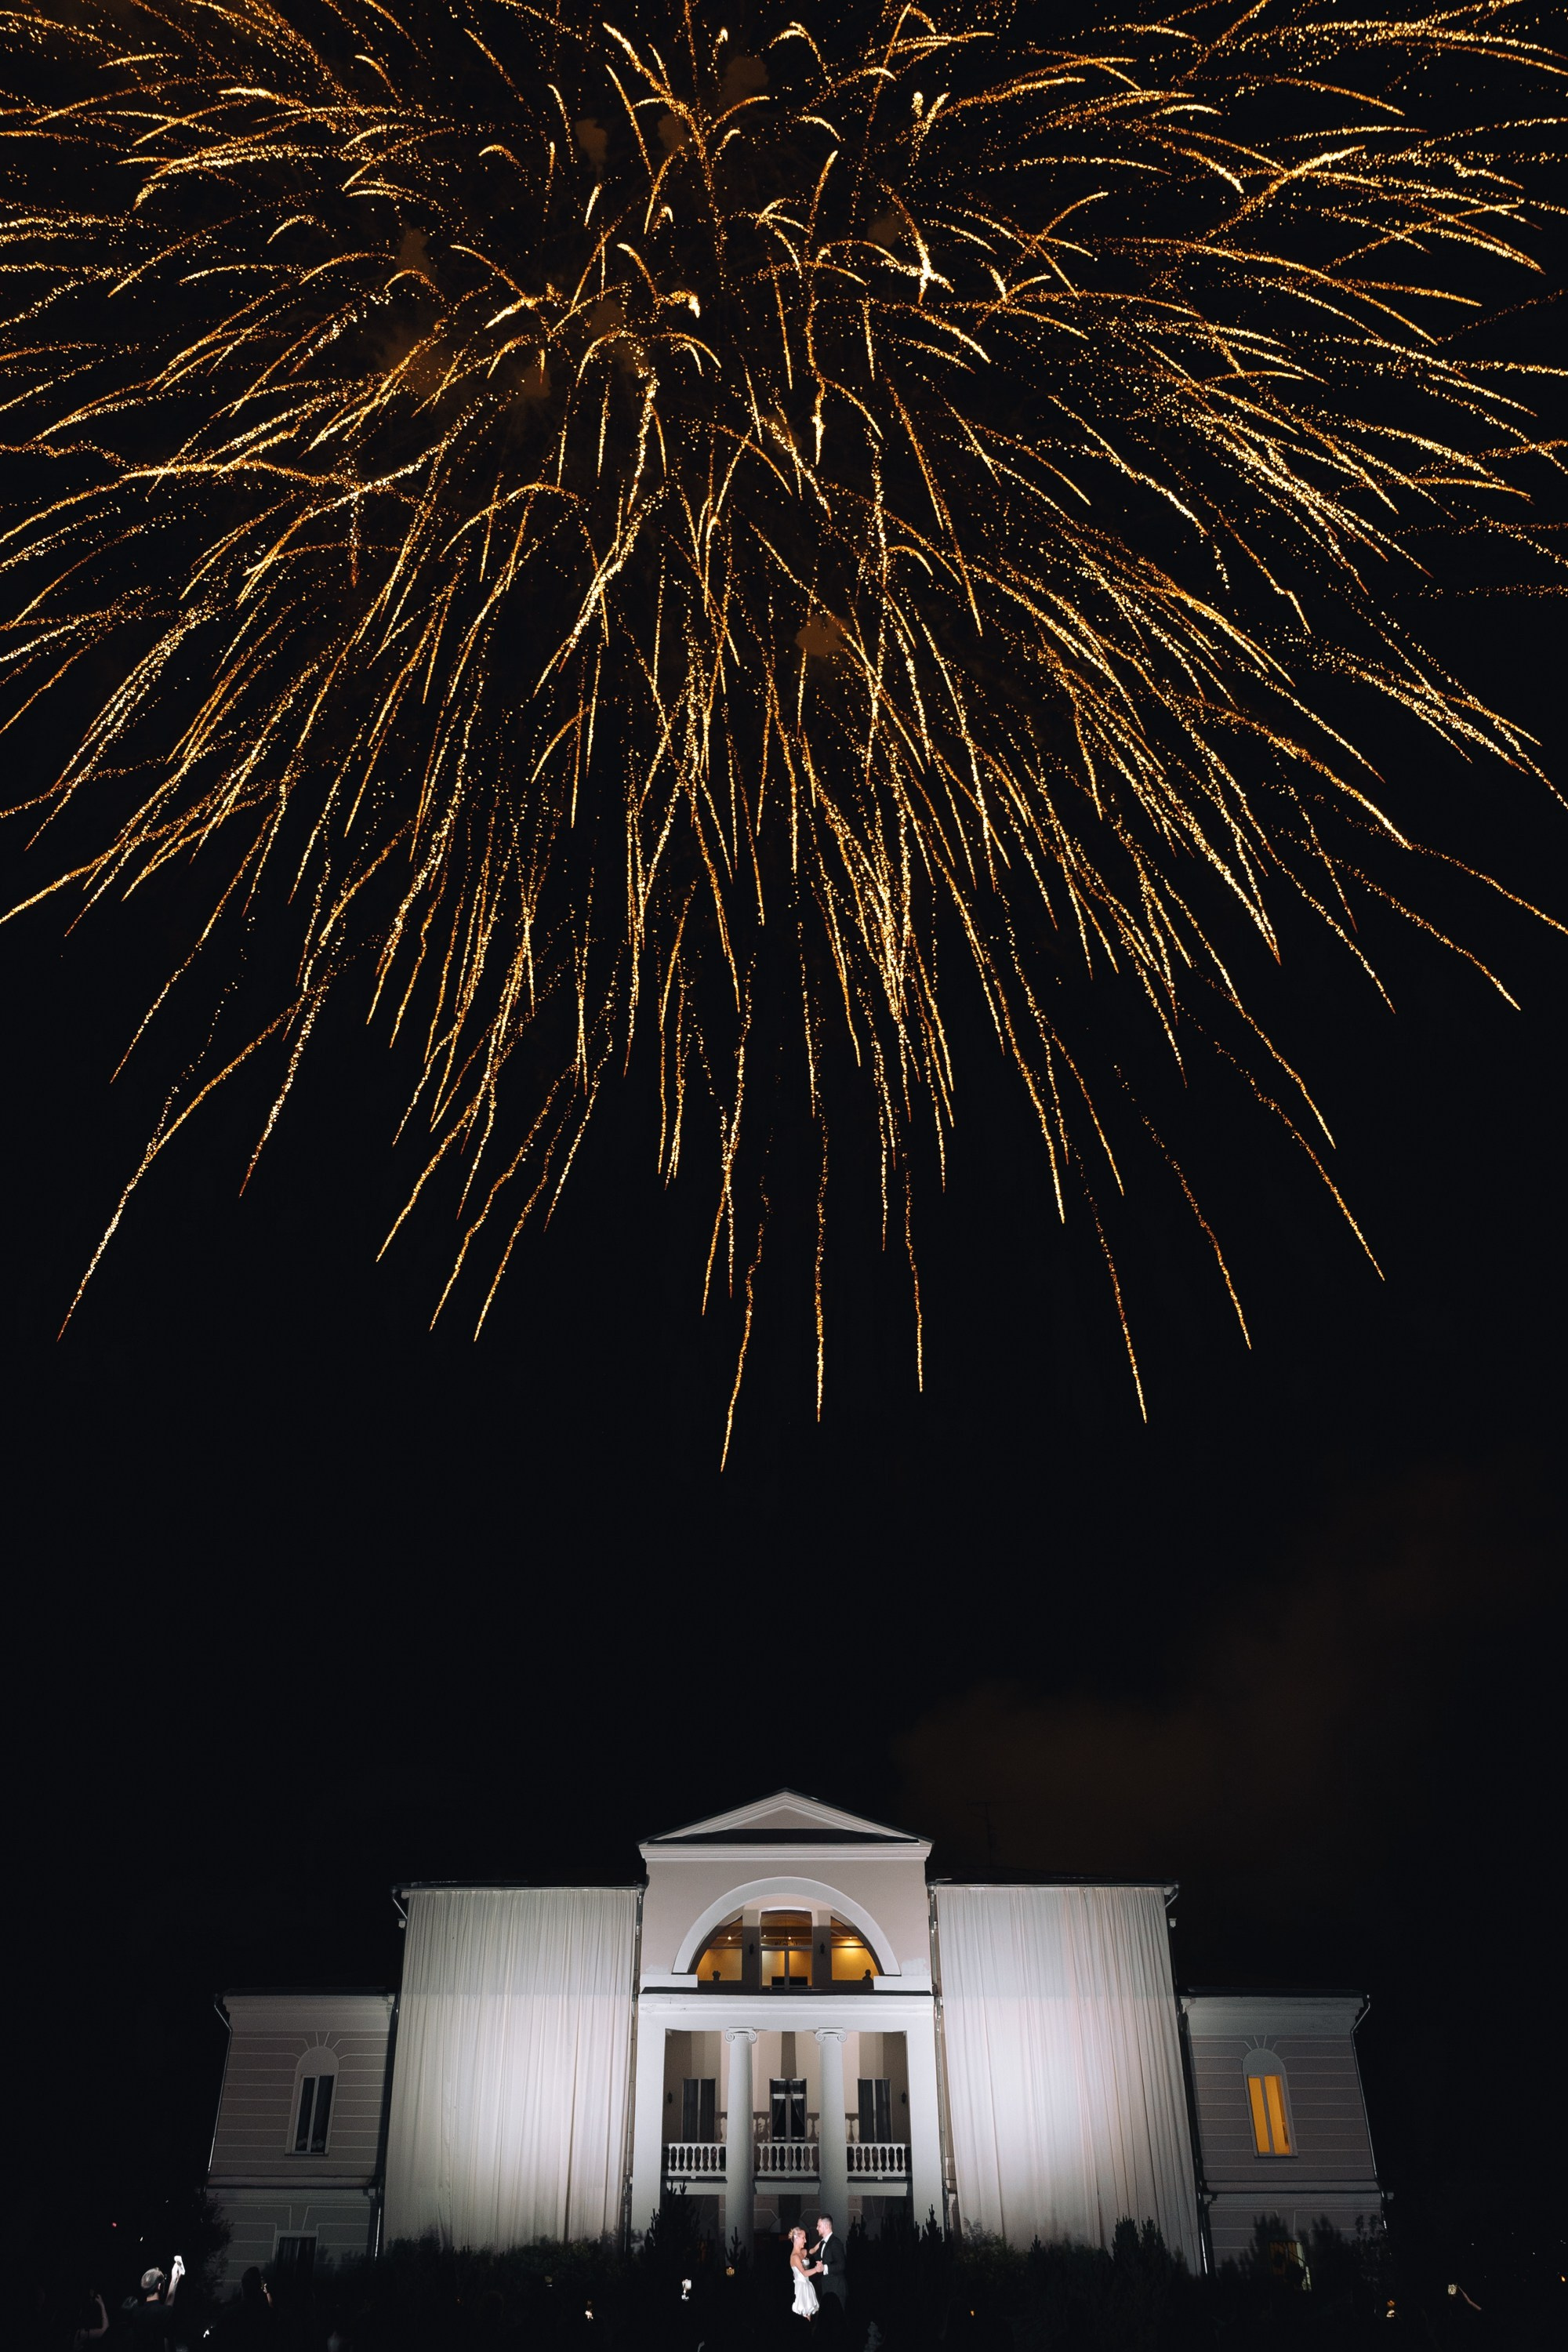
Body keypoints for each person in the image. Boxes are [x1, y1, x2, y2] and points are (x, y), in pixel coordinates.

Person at [129, 2258, 184, 2352]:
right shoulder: (165, 2313)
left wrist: (174, 2279)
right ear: (159, 2286)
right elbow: (169, 2345)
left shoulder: (135, 2312)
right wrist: (175, 2279)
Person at [809, 2216, 847, 2328]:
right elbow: (814, 2255)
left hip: (837, 2289)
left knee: (838, 2323)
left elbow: (841, 2265)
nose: (817, 2228)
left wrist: (824, 2268)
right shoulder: (822, 2244)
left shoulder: (835, 2242)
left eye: (819, 2226)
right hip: (827, 2289)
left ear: (826, 2226)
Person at [788, 2226, 822, 2321]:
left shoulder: (803, 2252)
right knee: (804, 2316)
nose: (805, 2241)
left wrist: (824, 2240)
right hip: (801, 2288)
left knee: (809, 2316)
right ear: (796, 2238)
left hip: (807, 2286)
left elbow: (814, 2250)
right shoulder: (794, 2257)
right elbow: (804, 2273)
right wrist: (816, 2269)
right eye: (803, 2238)